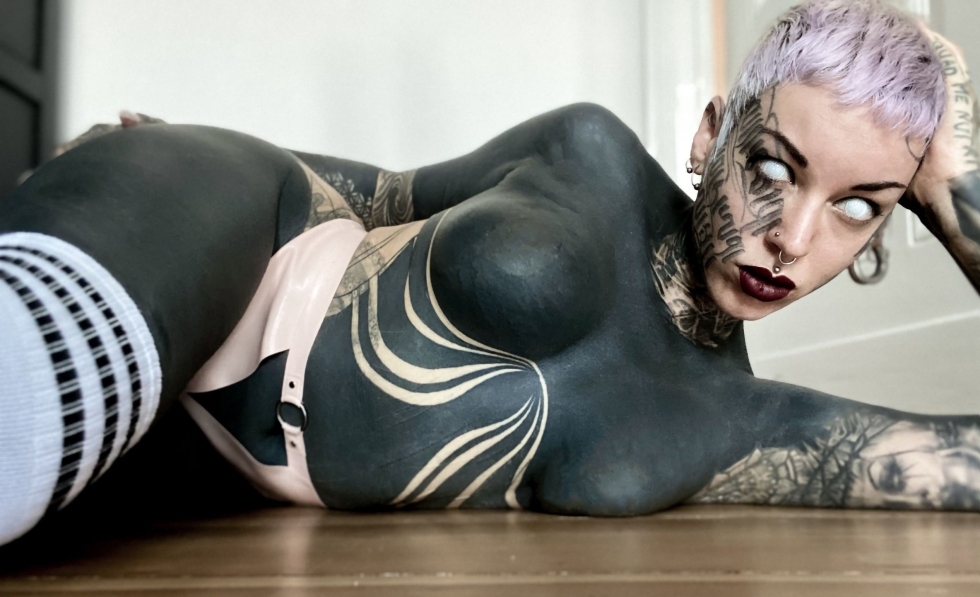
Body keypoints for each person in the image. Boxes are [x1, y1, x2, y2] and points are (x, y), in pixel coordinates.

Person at [1, 0, 978, 546]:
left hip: (205, 467)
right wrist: (153, 172)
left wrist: (954, 177)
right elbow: (383, 190)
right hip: (238, 233)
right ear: (708, 135)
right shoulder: (590, 153)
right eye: (770, 167)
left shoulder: (742, 425)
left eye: (859, 206)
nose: (792, 237)